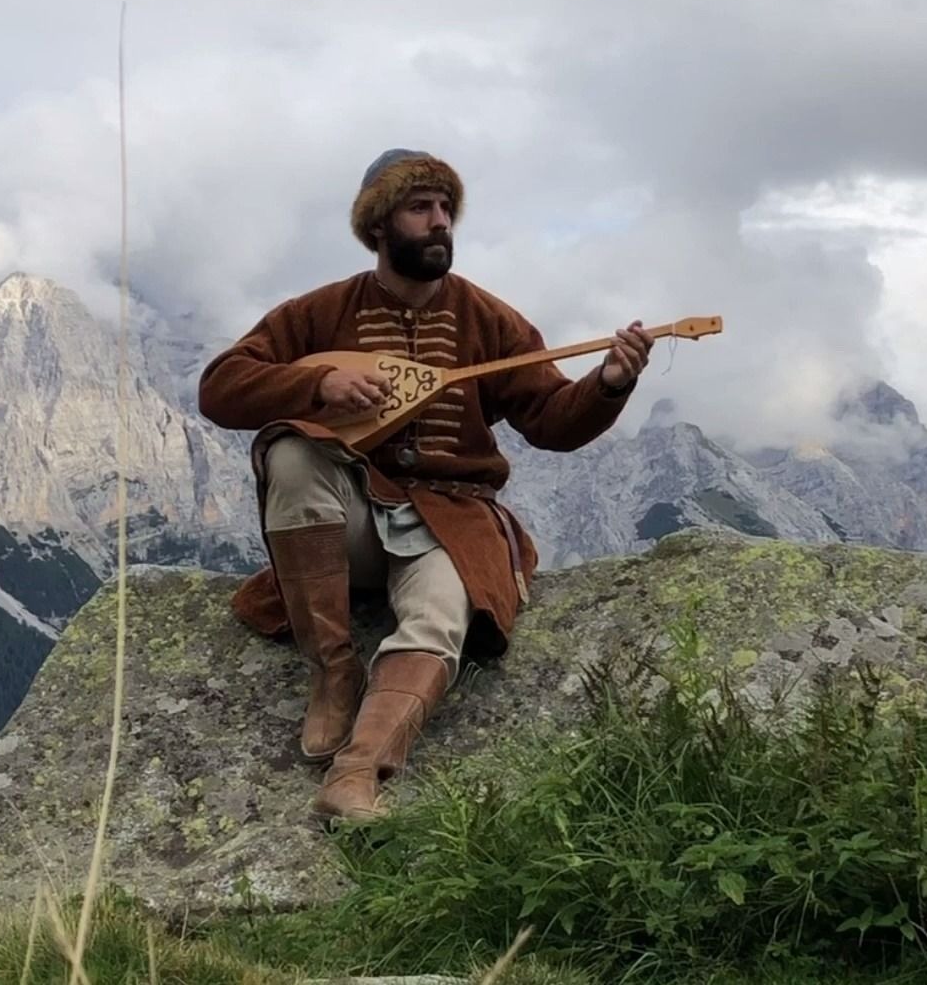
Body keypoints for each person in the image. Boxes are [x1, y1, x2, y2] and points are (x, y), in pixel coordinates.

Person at [197, 148, 651, 821]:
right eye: (420, 208)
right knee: (290, 456)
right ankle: (333, 669)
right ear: (378, 227)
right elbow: (221, 388)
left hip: (450, 518)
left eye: (446, 209)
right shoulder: (320, 313)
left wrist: (610, 384)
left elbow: (550, 420)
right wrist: (316, 383)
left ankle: (355, 777)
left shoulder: (488, 321)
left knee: (442, 613)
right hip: (348, 515)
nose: (440, 223)